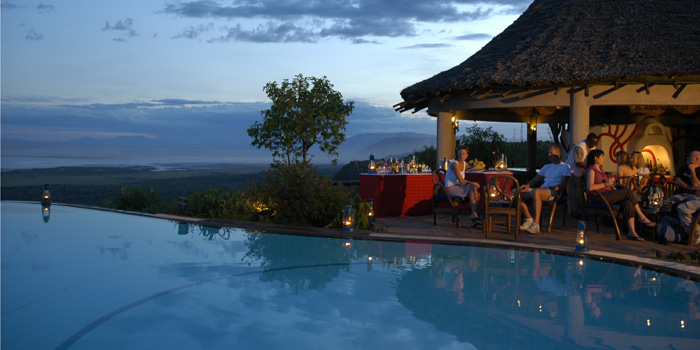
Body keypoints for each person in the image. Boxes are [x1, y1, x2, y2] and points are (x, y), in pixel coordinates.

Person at [585, 149, 656, 241]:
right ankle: (642, 216)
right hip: (599, 197)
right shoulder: (591, 170)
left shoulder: (601, 170)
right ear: (596, 158)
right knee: (628, 192)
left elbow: (607, 184)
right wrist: (606, 184)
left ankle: (632, 231)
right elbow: (590, 187)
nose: (604, 159)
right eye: (602, 157)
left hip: (607, 194)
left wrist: (611, 185)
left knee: (628, 203)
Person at [519, 145, 571, 234]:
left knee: (536, 192)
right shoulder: (546, 167)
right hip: (541, 189)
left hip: (552, 192)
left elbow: (563, 184)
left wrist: (557, 187)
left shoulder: (565, 167)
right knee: (516, 193)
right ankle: (528, 218)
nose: (549, 154)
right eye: (548, 152)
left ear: (558, 154)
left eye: (551, 153)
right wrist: (527, 186)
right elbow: (536, 180)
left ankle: (536, 225)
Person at [445, 146, 481, 225]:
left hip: (459, 186)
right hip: (452, 188)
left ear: (467, 155)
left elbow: (473, 167)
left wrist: (478, 166)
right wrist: (473, 183)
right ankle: (474, 214)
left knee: (474, 190)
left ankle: (474, 215)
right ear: (457, 154)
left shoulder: (465, 164)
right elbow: (462, 181)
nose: (461, 156)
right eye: (459, 154)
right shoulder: (454, 165)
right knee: (474, 189)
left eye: (463, 154)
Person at [566, 133, 599, 218]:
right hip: (574, 172)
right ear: (587, 140)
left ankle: (583, 210)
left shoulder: (592, 147)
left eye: (594, 143)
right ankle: (575, 212)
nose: (593, 145)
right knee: (576, 193)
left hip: (583, 173)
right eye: (592, 142)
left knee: (583, 192)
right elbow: (578, 162)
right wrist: (590, 167)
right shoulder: (580, 147)